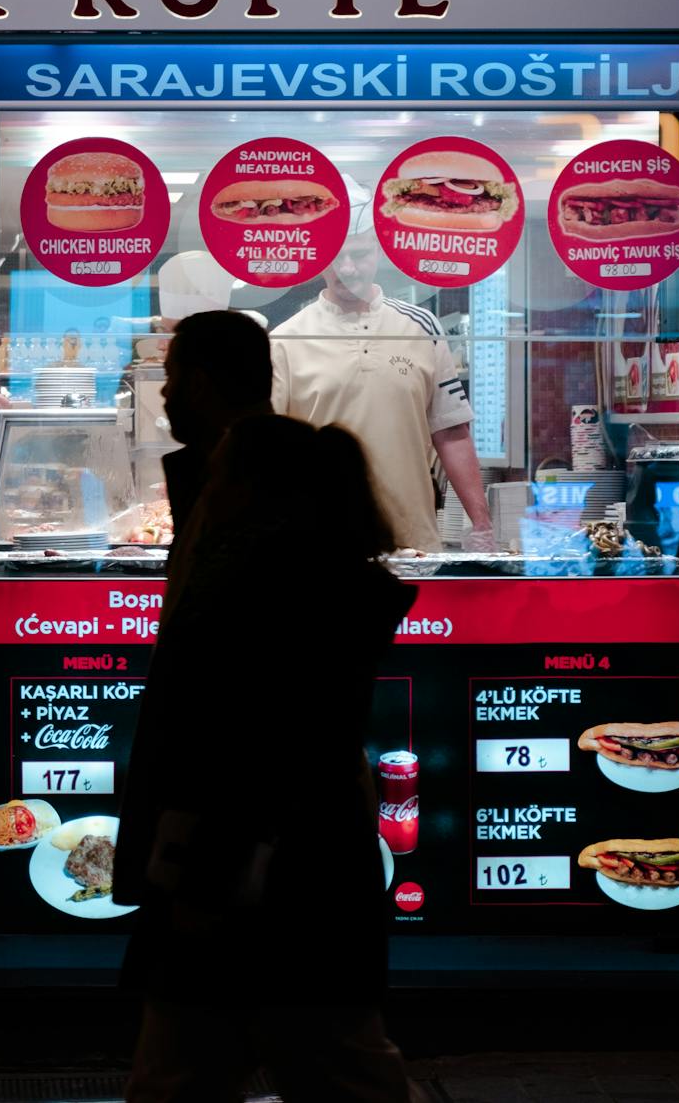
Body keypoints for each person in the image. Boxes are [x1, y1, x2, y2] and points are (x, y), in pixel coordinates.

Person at [117, 415, 420, 1102]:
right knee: (342, 1064)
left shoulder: (260, 595)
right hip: (313, 871)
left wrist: (202, 866)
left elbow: (250, 751)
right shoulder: (318, 582)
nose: (205, 490)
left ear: (256, 490)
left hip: (250, 867)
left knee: (186, 1073)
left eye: (219, 474)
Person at [270, 237, 496, 552]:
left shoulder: (421, 326)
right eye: (335, 256)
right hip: (320, 546)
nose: (346, 268)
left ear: (378, 254)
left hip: (413, 540)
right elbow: (269, 452)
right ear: (317, 259)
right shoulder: (284, 340)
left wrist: (482, 525)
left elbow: (452, 432)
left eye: (359, 254)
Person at [155, 309, 275, 538]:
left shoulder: (240, 483)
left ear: (197, 385)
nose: (164, 391)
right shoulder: (307, 463)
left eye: (171, 376)